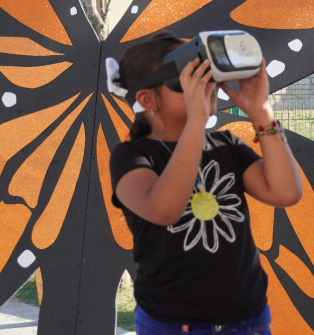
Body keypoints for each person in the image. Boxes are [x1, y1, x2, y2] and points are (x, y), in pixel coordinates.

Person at [108, 33, 302, 335]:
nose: (206, 86)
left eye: (206, 76)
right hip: (175, 325)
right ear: (147, 100)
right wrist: (196, 122)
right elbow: (164, 210)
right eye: (187, 78)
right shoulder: (131, 156)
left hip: (249, 319)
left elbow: (285, 192)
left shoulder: (226, 146)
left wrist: (261, 113)